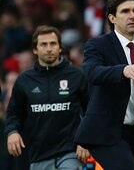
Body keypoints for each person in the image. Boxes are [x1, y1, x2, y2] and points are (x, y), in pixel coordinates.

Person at [74, 0, 134, 170]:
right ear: (112, 18)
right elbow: (92, 72)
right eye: (125, 11)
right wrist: (122, 70)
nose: (132, 16)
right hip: (107, 132)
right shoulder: (98, 44)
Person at [5, 25, 90, 170]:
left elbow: (91, 111)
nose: (49, 48)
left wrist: (86, 140)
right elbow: (14, 114)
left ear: (60, 48)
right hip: (39, 156)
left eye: (53, 44)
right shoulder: (24, 80)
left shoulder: (77, 76)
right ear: (35, 50)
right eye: (43, 44)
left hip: (70, 153)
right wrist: (12, 132)